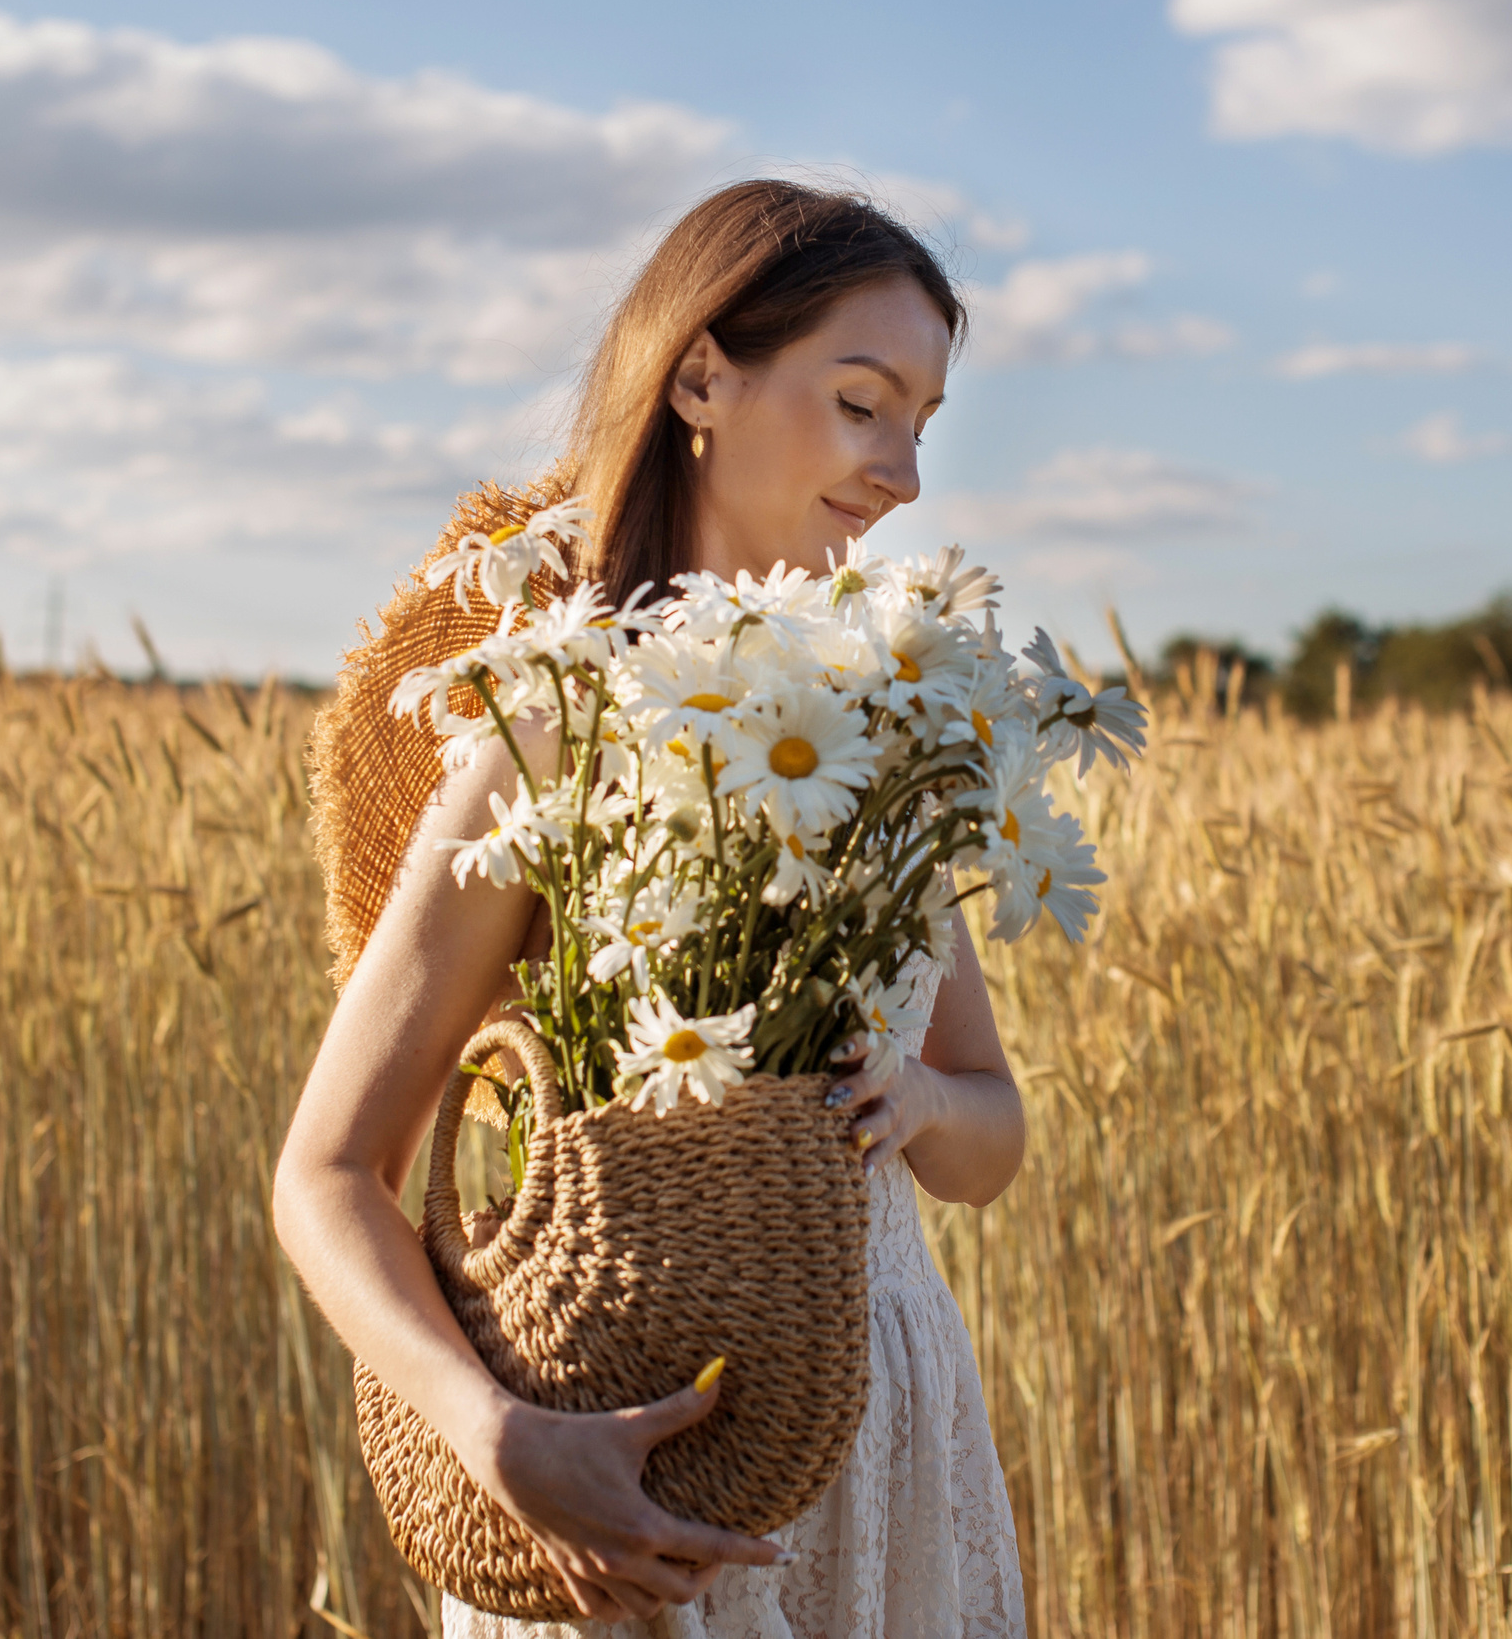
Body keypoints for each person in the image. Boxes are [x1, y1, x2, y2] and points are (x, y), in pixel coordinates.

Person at [274, 181, 1028, 1636]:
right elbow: (324, 1178)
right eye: (864, 403)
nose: (905, 475)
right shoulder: (550, 731)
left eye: (924, 425)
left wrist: (920, 1100)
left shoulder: (870, 740)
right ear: (701, 375)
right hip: (617, 1476)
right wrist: (497, 1441)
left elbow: (990, 1138)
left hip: (886, 1452)